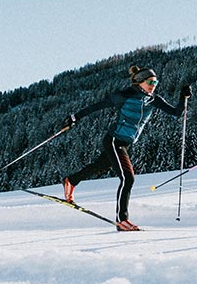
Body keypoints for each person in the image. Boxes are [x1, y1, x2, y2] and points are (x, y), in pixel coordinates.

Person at [61, 64, 190, 231]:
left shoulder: (154, 99)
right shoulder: (125, 96)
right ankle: (122, 220)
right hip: (114, 140)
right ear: (139, 83)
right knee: (128, 178)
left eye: (155, 82)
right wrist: (74, 117)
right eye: (150, 82)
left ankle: (71, 180)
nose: (153, 86)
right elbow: (97, 106)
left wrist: (183, 96)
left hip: (126, 143)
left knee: (100, 166)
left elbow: (176, 113)